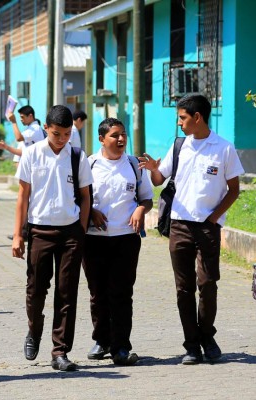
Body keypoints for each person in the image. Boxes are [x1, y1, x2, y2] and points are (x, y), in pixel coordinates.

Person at [140, 94, 244, 365]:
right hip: (179, 225)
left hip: (207, 227)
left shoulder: (223, 148)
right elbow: (160, 179)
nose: (180, 123)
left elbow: (234, 190)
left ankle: (207, 336)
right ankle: (191, 346)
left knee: (208, 284)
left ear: (197, 117)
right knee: (183, 288)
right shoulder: (179, 146)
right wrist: (152, 169)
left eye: (183, 118)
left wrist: (214, 218)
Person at [12, 104, 92, 372]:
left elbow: (85, 197)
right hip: (39, 230)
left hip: (70, 232)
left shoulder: (77, 156)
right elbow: (23, 196)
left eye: (67, 134)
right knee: (36, 290)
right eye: (57, 133)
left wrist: (80, 231)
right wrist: (17, 235)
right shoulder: (32, 154)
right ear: (46, 128)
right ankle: (34, 331)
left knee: (67, 292)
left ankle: (60, 351)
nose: (62, 139)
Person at [82, 118, 153, 365]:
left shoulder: (134, 165)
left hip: (126, 239)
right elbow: (79, 198)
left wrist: (140, 211)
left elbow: (147, 199)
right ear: (102, 139)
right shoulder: (88, 164)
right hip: (94, 239)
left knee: (121, 293)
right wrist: (90, 211)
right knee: (97, 292)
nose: (121, 139)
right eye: (115, 135)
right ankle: (101, 340)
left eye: (123, 134)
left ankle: (121, 346)